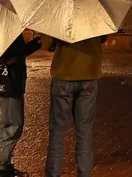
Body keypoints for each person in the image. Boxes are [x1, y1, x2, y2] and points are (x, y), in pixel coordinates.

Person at [43, 34, 107, 177]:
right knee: (84, 132)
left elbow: (47, 44)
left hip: (64, 75)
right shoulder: (96, 13)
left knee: (57, 133)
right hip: (89, 74)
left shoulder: (60, 13)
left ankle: (53, 174)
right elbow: (103, 38)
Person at [0, 31, 43, 177]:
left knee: (8, 124)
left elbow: (16, 54)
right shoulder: (6, 31)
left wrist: (32, 45)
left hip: (13, 83)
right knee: (14, 125)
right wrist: (30, 46)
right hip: (9, 83)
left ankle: (5, 165)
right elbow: (9, 57)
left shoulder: (10, 29)